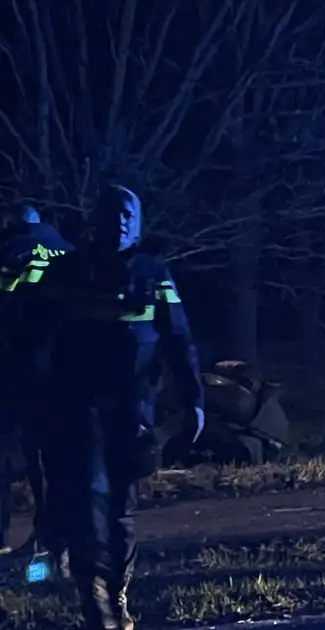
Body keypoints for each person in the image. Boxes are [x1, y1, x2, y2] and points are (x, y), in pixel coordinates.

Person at [36, 186, 204, 630]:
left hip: (132, 411)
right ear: (97, 220)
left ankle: (116, 595)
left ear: (140, 222)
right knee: (90, 499)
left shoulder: (153, 273)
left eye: (129, 215)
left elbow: (179, 338)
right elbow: (32, 336)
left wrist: (195, 400)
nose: (122, 223)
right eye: (113, 214)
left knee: (121, 510)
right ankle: (98, 607)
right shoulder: (68, 271)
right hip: (78, 408)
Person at [0, 204, 73, 559]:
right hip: (64, 369)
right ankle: (52, 540)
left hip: (17, 365)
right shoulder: (67, 249)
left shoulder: (11, 249)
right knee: (51, 460)